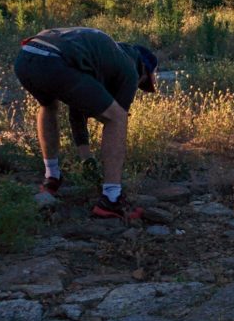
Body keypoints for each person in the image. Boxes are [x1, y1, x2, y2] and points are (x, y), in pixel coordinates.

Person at [13, 27, 157, 220]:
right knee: (118, 118)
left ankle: (52, 177)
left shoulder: (104, 55)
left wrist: (86, 157)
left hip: (26, 57)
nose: (138, 87)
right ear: (144, 71)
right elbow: (117, 118)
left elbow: (77, 110)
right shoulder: (130, 69)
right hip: (54, 61)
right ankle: (111, 199)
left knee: (48, 106)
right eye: (143, 84)